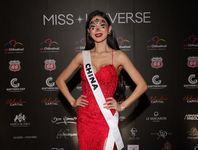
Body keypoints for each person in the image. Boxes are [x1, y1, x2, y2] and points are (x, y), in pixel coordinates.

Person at [56, 10, 148, 150]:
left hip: (106, 118)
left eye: (101, 25)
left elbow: (142, 85)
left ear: (109, 29)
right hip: (85, 118)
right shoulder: (82, 56)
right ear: (89, 31)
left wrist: (122, 106)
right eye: (93, 26)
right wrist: (73, 101)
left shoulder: (118, 56)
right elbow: (60, 80)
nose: (97, 29)